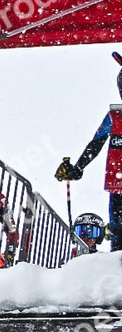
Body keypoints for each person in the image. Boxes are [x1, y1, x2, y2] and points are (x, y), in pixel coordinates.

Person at [54, 57, 122, 251]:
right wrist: (78, 168)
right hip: (117, 186)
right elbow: (96, 144)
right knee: (118, 230)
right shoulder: (115, 117)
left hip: (117, 184)